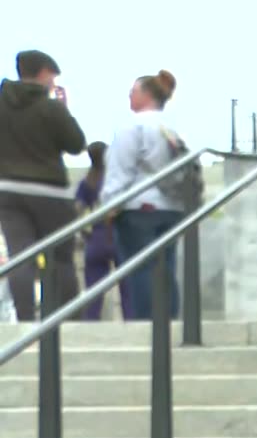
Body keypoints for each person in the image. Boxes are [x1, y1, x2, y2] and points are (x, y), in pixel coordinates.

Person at [0, 50, 86, 321]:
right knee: (60, 257)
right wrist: (63, 110)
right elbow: (76, 144)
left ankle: (26, 322)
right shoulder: (50, 108)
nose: (53, 83)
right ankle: (68, 321)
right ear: (43, 73)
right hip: (50, 191)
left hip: (9, 191)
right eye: (53, 77)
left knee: (20, 256)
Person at [100, 70, 183, 321]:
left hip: (138, 208)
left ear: (146, 95)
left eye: (133, 91)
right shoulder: (171, 128)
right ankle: (169, 322)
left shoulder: (132, 127)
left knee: (141, 270)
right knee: (166, 269)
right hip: (171, 208)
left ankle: (146, 325)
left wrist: (109, 205)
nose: (129, 96)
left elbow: (121, 171)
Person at [76, 141, 125, 321]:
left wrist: (83, 232)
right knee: (127, 288)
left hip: (96, 238)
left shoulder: (87, 181)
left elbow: (77, 210)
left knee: (93, 292)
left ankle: (90, 324)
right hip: (120, 235)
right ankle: (133, 324)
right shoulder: (117, 179)